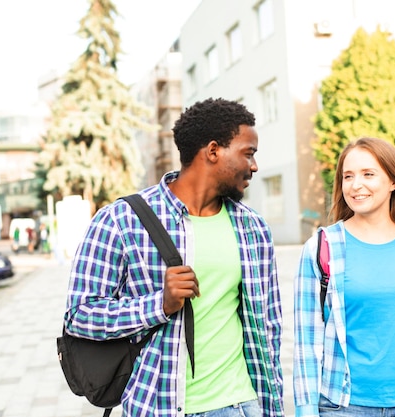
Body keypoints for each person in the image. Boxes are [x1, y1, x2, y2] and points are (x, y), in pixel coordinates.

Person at [64, 98, 284, 417]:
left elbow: (268, 329)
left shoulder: (253, 227)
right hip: (159, 407)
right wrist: (160, 305)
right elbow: (79, 317)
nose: (254, 166)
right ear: (212, 151)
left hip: (241, 405)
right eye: (248, 153)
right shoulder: (121, 220)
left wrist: (272, 407)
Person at [293, 137, 395, 416]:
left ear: (393, 181)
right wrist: (305, 411)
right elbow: (307, 343)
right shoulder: (322, 247)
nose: (355, 185)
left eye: (368, 174)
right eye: (348, 176)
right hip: (344, 405)